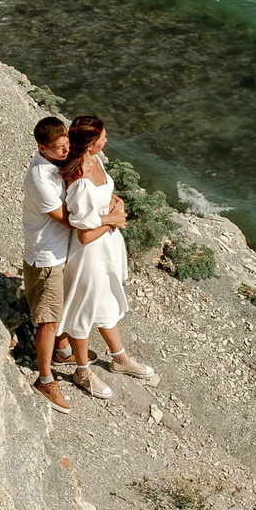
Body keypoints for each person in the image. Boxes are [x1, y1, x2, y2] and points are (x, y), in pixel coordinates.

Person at [55, 115, 159, 398]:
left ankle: (119, 358)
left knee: (108, 302)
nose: (107, 140)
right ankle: (82, 370)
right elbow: (84, 234)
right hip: (90, 254)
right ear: (90, 145)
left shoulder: (96, 161)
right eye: (102, 137)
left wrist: (114, 202)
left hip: (105, 247)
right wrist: (113, 220)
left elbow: (102, 197)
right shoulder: (80, 182)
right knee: (83, 311)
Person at [22, 116, 81, 410]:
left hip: (59, 252)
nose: (65, 151)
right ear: (41, 148)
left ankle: (62, 350)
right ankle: (45, 380)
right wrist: (107, 219)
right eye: (58, 148)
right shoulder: (39, 180)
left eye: (66, 143)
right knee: (49, 319)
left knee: (60, 307)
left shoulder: (57, 162)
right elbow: (68, 220)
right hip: (46, 258)